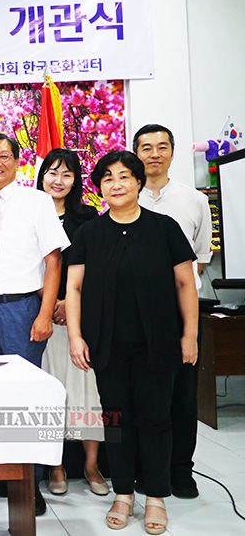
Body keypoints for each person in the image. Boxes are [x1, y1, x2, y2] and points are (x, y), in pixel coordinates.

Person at [66, 151, 198, 534]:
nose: (116, 184)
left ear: (139, 182)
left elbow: (185, 283)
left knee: (156, 417)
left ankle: (155, 495)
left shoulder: (165, 228)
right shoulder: (89, 233)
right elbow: (74, 288)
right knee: (116, 419)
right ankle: (123, 493)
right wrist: (75, 336)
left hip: (159, 343)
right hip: (107, 344)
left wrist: (190, 335)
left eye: (124, 176)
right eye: (108, 178)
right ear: (100, 188)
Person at [0, 134, 68, 516]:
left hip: (20, 310)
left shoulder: (37, 202)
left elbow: (53, 261)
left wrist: (44, 313)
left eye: (4, 155)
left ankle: (29, 482)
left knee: (25, 399)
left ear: (17, 161)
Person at [134, 123, 212, 499]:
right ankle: (144, 468)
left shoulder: (194, 200)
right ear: (136, 153)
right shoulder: (125, 197)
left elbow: (199, 260)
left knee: (182, 396)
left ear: (172, 152)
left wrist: (187, 325)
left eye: (162, 147)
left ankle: (181, 470)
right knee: (141, 395)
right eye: (146, 147)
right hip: (135, 314)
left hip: (181, 311)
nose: (154, 154)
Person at [35, 150, 108, 497]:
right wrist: (50, 302)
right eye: (52, 173)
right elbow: (25, 264)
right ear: (42, 176)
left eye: (67, 174)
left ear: (76, 181)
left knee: (87, 391)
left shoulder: (88, 217)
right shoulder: (30, 214)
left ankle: (92, 465)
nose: (58, 180)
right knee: (51, 389)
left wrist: (70, 302)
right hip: (42, 315)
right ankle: (56, 466)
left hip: (81, 317)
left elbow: (97, 266)